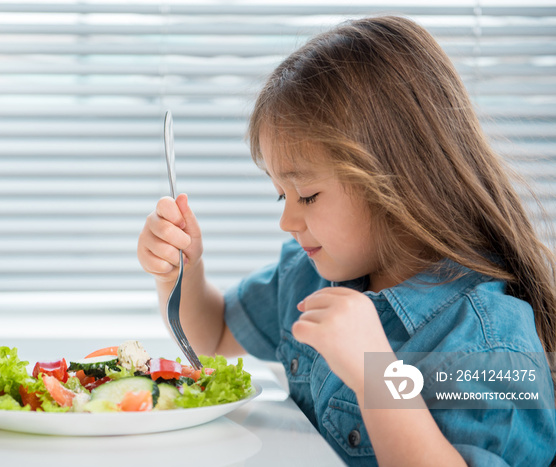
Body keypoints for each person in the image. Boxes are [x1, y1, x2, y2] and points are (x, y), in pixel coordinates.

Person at [137, 15, 556, 466]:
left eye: (308, 195)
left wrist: (375, 371)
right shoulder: (310, 275)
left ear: (396, 182)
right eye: (282, 195)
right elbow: (215, 335)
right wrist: (181, 271)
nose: (287, 220)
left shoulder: (486, 339)